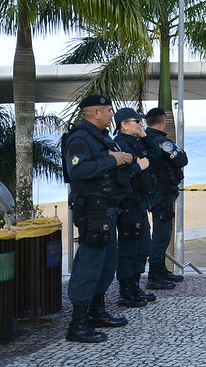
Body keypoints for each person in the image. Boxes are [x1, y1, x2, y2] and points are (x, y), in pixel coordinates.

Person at [62, 95, 132, 343]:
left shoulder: (102, 137)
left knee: (106, 264)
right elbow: (77, 169)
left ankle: (96, 311)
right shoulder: (80, 137)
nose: (113, 115)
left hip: (108, 209)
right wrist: (113, 159)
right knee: (89, 265)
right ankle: (77, 324)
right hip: (93, 210)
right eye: (109, 111)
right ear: (96, 113)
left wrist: (121, 159)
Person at [113, 108, 158, 307]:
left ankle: (135, 286)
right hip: (128, 203)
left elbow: (155, 156)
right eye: (136, 121)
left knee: (143, 247)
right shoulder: (119, 144)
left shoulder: (136, 142)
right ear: (124, 124)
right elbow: (118, 174)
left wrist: (145, 136)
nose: (140, 124)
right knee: (129, 248)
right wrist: (138, 167)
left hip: (140, 202)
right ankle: (126, 290)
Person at [144, 107, 188, 288]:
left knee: (161, 233)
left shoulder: (145, 141)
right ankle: (155, 274)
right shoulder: (161, 142)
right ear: (163, 122)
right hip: (161, 193)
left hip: (156, 192)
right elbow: (181, 160)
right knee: (161, 235)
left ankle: (161, 270)